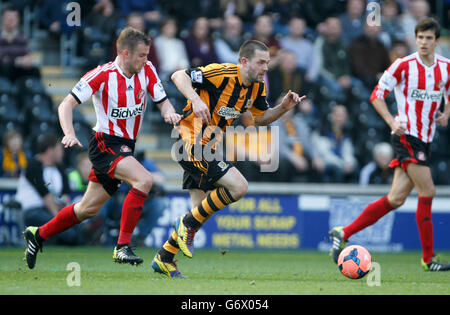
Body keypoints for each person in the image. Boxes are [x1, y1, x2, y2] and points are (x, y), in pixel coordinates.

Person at [23, 27, 181, 269]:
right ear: (125, 53)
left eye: (147, 54)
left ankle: (38, 234)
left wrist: (169, 113)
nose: (146, 59)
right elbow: (66, 104)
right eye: (141, 55)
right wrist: (69, 133)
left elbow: (163, 102)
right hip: (104, 143)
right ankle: (122, 247)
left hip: (125, 146)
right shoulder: (102, 74)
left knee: (87, 209)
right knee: (144, 180)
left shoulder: (147, 70)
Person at [151, 39, 305, 278]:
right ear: (244, 61)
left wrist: (283, 107)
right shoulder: (221, 73)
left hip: (208, 146)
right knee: (239, 186)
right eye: (261, 62)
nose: (266, 67)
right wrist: (197, 98)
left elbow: (260, 119)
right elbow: (178, 76)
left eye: (267, 62)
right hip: (189, 141)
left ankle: (164, 258)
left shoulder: (257, 87)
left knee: (198, 211)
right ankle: (186, 225)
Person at [329, 18, 450, 272]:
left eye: (429, 38)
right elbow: (376, 95)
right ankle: (428, 260)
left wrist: (446, 113)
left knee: (395, 199)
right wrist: (391, 122)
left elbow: (447, 92)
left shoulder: (445, 68)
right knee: (427, 191)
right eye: (420, 37)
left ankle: (344, 232)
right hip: (406, 135)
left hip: (425, 139)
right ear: (415, 39)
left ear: (437, 41)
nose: (424, 42)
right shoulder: (403, 65)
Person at [16, 134, 77, 246]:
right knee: (69, 234)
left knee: (75, 225)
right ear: (50, 150)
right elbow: (45, 195)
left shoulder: (60, 168)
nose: (62, 153)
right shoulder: (33, 166)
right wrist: (59, 220)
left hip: (54, 210)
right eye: (59, 149)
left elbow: (66, 193)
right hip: (32, 210)